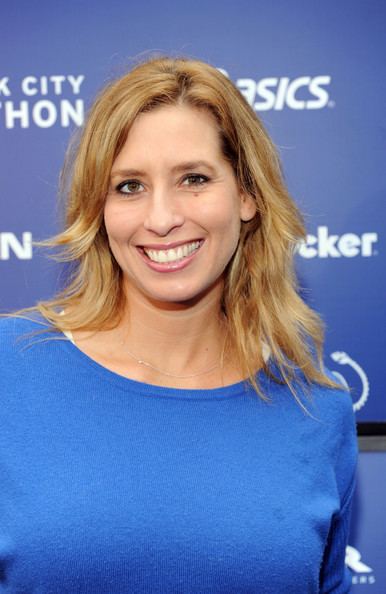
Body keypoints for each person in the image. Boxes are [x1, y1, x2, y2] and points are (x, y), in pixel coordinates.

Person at [0, 56, 357, 593]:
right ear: (98, 208)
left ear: (247, 195)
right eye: (128, 186)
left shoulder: (316, 409)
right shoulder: (10, 371)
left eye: (194, 178)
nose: (161, 217)